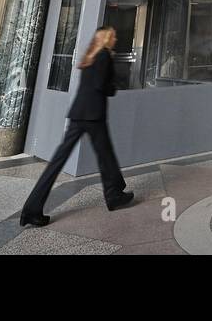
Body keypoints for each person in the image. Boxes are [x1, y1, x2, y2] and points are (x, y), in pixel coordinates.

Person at [20, 27, 134, 227]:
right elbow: (101, 85)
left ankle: (32, 208)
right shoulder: (104, 55)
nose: (116, 38)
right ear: (106, 38)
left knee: (60, 160)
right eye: (113, 35)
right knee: (105, 154)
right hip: (93, 115)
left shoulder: (90, 56)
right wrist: (113, 86)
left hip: (79, 113)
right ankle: (114, 193)